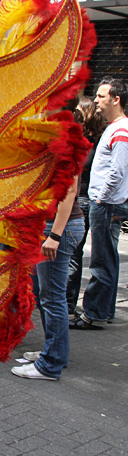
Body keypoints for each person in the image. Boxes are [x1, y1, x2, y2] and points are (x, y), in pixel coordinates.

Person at [11, 178, 85, 380]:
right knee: (45, 296)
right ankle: (54, 352)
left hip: (57, 228)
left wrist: (55, 236)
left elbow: (68, 192)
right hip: (50, 226)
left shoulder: (66, 146)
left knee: (52, 298)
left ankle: (51, 363)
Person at [71, 78, 128, 329]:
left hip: (106, 204)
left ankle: (93, 313)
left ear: (115, 99)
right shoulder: (115, 127)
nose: (96, 100)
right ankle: (103, 310)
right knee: (107, 260)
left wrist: (100, 197)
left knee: (102, 261)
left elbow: (117, 170)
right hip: (107, 203)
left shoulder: (120, 129)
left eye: (101, 96)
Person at [66, 96, 106, 318]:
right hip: (82, 201)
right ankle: (67, 303)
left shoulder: (85, 144)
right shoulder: (87, 142)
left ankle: (68, 305)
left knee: (74, 256)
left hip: (81, 201)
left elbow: (72, 186)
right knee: (75, 256)